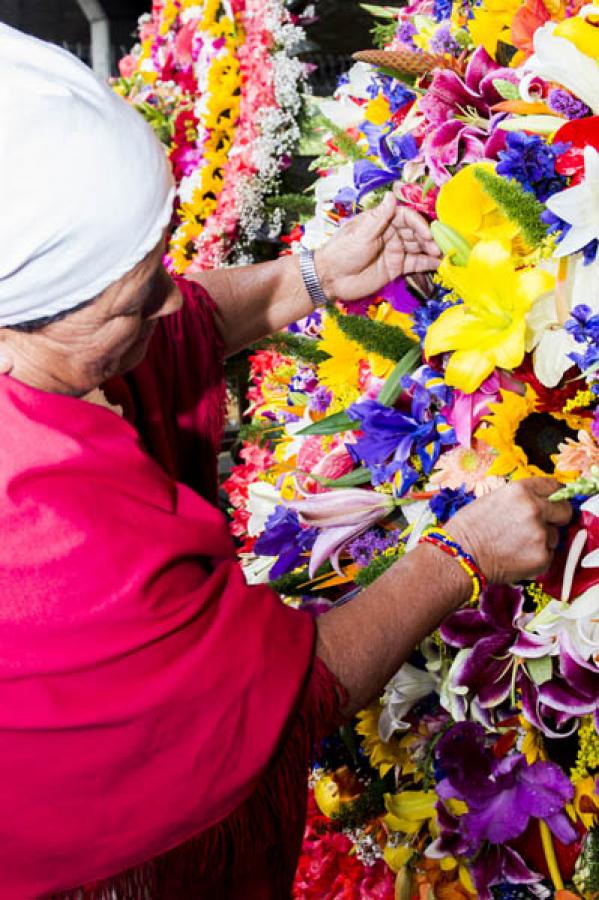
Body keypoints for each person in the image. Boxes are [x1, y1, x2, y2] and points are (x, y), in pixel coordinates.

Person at [0, 25, 571, 900]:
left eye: (158, 266)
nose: (169, 301)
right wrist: (459, 560)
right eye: (132, 297)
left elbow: (175, 320)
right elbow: (267, 701)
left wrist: (311, 275)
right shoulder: (45, 529)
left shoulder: (45, 346)